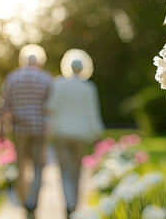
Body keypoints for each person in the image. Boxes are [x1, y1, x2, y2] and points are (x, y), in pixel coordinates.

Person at [0, 44, 53, 219]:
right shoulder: (46, 78)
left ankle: (23, 200)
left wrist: (1, 128)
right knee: (39, 166)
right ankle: (32, 202)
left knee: (21, 166)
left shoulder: (13, 77)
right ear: (40, 61)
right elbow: (51, 107)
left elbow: (3, 104)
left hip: (19, 129)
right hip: (40, 129)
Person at [46, 55, 104, 217]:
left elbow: (50, 107)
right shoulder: (89, 88)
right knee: (77, 172)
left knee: (64, 171)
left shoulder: (58, 85)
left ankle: (69, 203)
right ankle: (75, 208)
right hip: (81, 136)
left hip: (61, 134)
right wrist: (97, 133)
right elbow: (93, 113)